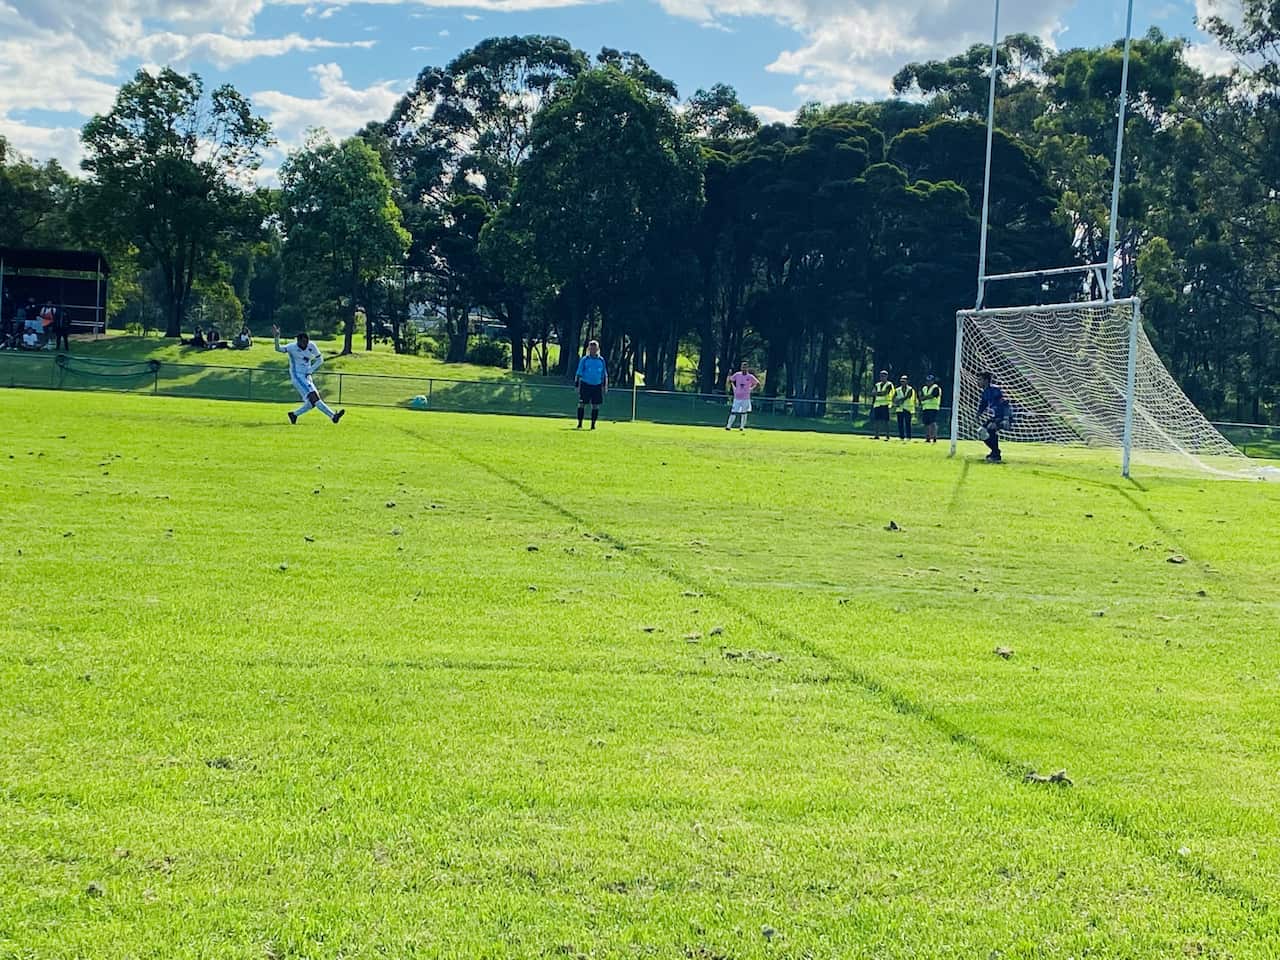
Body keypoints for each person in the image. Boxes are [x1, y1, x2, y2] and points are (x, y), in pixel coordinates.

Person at [274, 325, 345, 425]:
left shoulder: (312, 345)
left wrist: (310, 370)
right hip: (298, 376)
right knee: (314, 397)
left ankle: (294, 415)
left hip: (307, 376)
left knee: (312, 402)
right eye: (303, 342)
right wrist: (276, 337)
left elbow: (320, 359)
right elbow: (278, 349)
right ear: (298, 341)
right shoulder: (291, 347)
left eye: (306, 342)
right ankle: (333, 416)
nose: (305, 345)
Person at [976, 370, 1012, 463]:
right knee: (981, 431)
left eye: (980, 379)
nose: (978, 381)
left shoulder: (995, 390)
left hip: (1004, 415)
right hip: (996, 416)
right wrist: (978, 415)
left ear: (986, 380)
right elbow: (983, 405)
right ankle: (995, 452)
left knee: (991, 428)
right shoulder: (985, 392)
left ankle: (995, 455)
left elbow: (1005, 404)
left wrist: (1006, 419)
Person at [574, 339, 607, 430]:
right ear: (589, 349)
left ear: (598, 349)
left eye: (595, 349)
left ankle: (593, 425)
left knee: (595, 405)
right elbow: (578, 373)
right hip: (585, 384)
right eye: (591, 348)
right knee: (582, 404)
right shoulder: (584, 359)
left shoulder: (601, 360)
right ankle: (580, 424)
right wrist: (576, 385)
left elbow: (604, 374)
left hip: (597, 385)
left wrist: (605, 386)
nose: (593, 350)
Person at [725, 361, 760, 432]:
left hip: (745, 398)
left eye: (745, 367)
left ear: (747, 368)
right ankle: (728, 426)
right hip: (737, 397)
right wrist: (733, 388)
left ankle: (742, 427)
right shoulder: (737, 375)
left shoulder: (750, 377)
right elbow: (730, 380)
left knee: (744, 413)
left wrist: (751, 389)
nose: (744, 369)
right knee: (733, 411)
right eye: (743, 367)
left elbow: (757, 383)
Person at [919, 374, 943, 444]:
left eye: (930, 381)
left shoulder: (936, 388)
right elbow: (921, 396)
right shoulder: (924, 388)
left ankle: (934, 437)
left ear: (933, 381)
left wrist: (923, 398)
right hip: (925, 407)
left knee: (932, 422)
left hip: (933, 407)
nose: (928, 382)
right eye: (927, 381)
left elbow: (932, 396)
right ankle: (928, 437)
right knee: (926, 423)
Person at [870, 369, 893, 441]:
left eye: (884, 376)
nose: (882, 377)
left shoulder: (889, 384)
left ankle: (887, 436)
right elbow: (872, 392)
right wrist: (879, 393)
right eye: (881, 376)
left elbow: (885, 393)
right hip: (877, 404)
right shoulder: (877, 384)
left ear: (887, 376)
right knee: (877, 420)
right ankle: (876, 435)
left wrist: (877, 393)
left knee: (886, 421)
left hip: (885, 404)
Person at [892, 374, 916, 442]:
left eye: (904, 381)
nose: (903, 382)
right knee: (900, 423)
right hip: (899, 409)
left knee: (908, 423)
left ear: (907, 381)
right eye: (902, 381)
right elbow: (893, 398)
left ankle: (908, 436)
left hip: (907, 408)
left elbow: (908, 396)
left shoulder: (910, 389)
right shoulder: (897, 389)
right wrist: (895, 402)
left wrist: (899, 400)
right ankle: (901, 437)